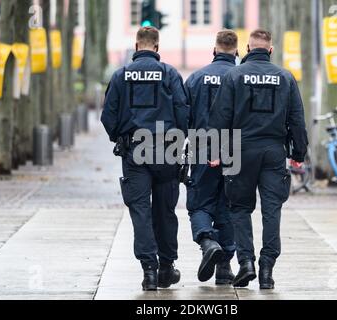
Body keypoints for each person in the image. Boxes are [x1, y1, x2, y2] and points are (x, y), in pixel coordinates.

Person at [208, 29, 308, 289]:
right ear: (271, 50)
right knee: (271, 209)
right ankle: (267, 267)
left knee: (240, 208)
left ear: (248, 49)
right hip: (274, 151)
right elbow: (297, 119)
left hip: (240, 150)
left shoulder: (234, 75)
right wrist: (298, 153)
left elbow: (220, 118)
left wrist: (214, 152)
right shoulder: (285, 78)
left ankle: (246, 262)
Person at [101, 27, 190, 291]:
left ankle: (148, 270)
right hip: (166, 149)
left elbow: (109, 115)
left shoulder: (121, 75)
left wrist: (120, 137)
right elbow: (183, 110)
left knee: (140, 210)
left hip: (134, 150)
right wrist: (179, 137)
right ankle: (166, 266)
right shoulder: (170, 73)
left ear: (137, 46)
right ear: (157, 46)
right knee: (165, 210)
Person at [184, 30, 238, 285]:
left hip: (200, 146)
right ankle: (225, 268)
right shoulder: (241, 78)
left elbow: (182, 117)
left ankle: (207, 242)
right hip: (233, 148)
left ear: (214, 50)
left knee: (198, 203)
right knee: (228, 205)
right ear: (237, 52)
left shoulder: (196, 78)